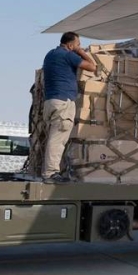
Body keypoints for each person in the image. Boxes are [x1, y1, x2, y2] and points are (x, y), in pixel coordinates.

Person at [41, 32, 96, 180]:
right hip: (63, 103)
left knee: (53, 138)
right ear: (70, 45)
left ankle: (52, 171)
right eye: (77, 44)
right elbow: (92, 66)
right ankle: (51, 173)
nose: (79, 46)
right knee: (57, 140)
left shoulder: (50, 54)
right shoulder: (68, 55)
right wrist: (80, 52)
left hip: (50, 102)